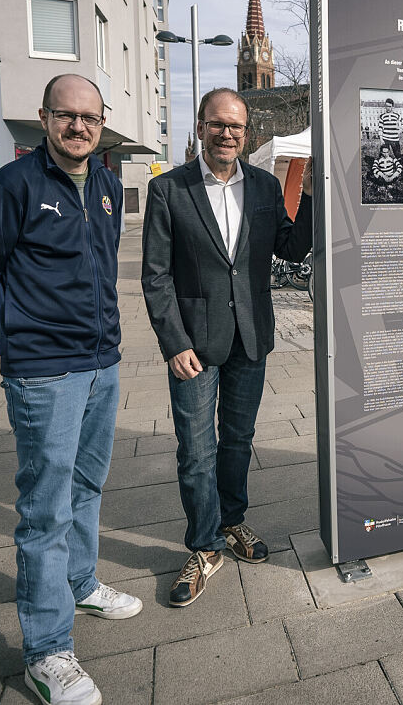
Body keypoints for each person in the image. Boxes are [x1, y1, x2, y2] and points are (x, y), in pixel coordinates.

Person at [0, 74, 141, 705]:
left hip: (102, 364)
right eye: (66, 116)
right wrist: (23, 340)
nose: (78, 127)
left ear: (101, 122)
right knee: (44, 510)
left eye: (89, 117)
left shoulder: (109, 186)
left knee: (88, 484)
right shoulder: (12, 186)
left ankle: (82, 582)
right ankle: (46, 651)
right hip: (46, 373)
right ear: (44, 118)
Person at [141, 88, 313, 607]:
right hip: (194, 343)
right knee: (196, 451)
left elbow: (290, 246)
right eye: (218, 124)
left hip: (252, 337)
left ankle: (233, 520)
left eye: (236, 126)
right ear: (200, 126)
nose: (227, 134)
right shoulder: (170, 189)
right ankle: (204, 545)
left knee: (238, 440)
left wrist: (314, 196)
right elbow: (155, 276)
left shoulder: (262, 186)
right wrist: (172, 342)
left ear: (246, 131)